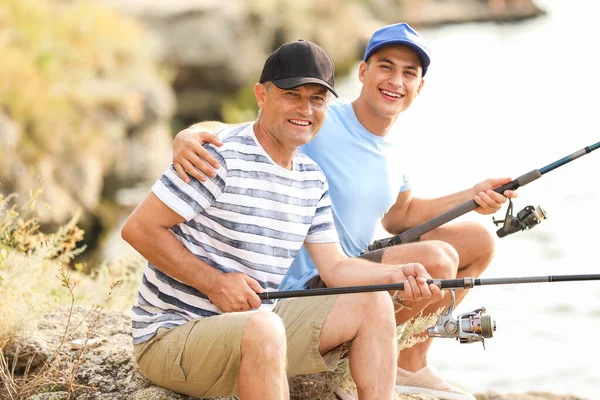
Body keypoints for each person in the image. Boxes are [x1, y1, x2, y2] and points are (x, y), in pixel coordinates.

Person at [171, 23, 518, 400]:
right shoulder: (317, 118)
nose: (395, 81)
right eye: (385, 67)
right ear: (364, 72)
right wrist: (187, 136)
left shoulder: (396, 152)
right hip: (311, 277)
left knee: (478, 240)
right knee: (437, 259)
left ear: (420, 87)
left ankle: (409, 363)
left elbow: (400, 215)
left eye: (409, 73)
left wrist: (472, 193)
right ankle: (352, 357)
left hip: (349, 261)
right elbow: (237, 129)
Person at [122, 39, 439, 400]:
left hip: (257, 330)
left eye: (317, 99)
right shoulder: (217, 157)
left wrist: (397, 276)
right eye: (293, 94)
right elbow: (139, 229)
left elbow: (335, 267)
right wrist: (214, 283)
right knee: (265, 327)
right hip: (172, 337)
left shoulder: (312, 179)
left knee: (374, 300)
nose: (305, 108)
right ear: (262, 95)